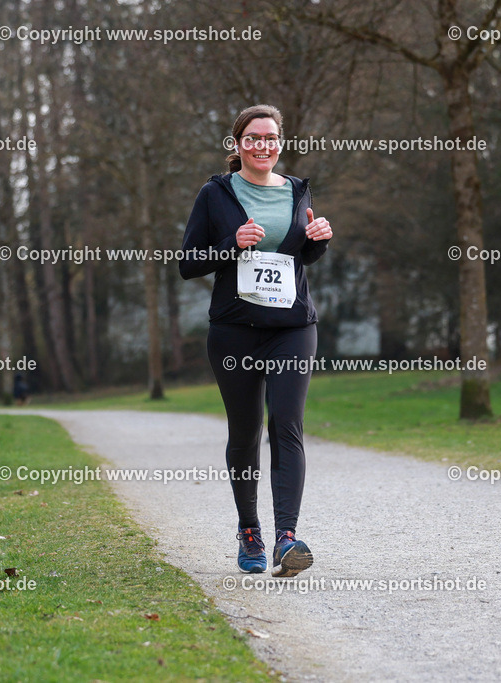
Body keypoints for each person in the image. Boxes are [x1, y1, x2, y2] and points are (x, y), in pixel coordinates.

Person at [179, 104, 333, 577]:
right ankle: (250, 530)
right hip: (235, 333)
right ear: (238, 144)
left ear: (280, 142)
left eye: (270, 137)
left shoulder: (296, 191)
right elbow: (188, 262)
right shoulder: (216, 193)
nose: (262, 145)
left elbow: (299, 257)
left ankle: (287, 537)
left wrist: (318, 240)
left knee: (286, 424)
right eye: (252, 138)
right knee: (245, 433)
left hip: (291, 328)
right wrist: (233, 243)